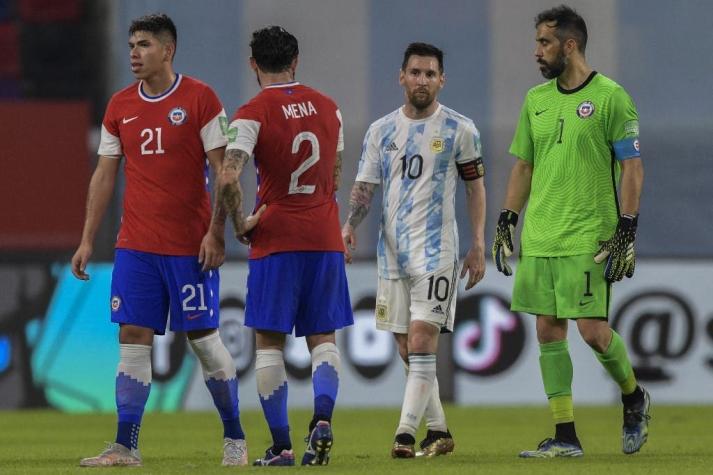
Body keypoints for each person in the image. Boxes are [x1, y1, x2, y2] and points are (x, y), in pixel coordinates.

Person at [71, 13, 257, 467]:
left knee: (203, 339)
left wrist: (217, 231)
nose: (134, 53)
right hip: (135, 245)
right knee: (132, 337)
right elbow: (104, 175)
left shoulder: (200, 98)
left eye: (144, 45)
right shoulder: (119, 106)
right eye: (132, 44)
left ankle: (235, 436)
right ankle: (125, 445)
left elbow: (224, 172)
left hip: (189, 247)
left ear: (168, 50)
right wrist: (86, 239)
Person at [491, 5, 649, 458]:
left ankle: (634, 396)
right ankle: (566, 436)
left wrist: (627, 228)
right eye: (537, 43)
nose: (536, 52)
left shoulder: (610, 97)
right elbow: (524, 165)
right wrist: (507, 219)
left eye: (544, 43)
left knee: (594, 332)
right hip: (541, 236)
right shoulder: (535, 100)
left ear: (570, 44)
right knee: (548, 332)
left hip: (589, 236)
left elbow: (632, 168)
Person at [342, 42, 486, 458]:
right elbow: (366, 188)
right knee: (406, 347)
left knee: (423, 339)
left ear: (441, 80)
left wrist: (477, 244)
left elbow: (475, 188)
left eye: (430, 73)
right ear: (401, 77)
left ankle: (404, 434)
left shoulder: (461, 129)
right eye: (415, 72)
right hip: (393, 254)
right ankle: (438, 431)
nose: (422, 80)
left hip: (437, 251)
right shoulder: (380, 130)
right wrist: (349, 225)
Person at [217, 26, 353, 466]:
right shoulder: (330, 109)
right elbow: (333, 175)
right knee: (323, 339)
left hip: (276, 237)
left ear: (253, 64)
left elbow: (227, 177)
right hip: (323, 232)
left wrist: (241, 224)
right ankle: (324, 417)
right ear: (295, 61)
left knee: (270, 343)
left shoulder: (251, 112)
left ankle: (282, 446)